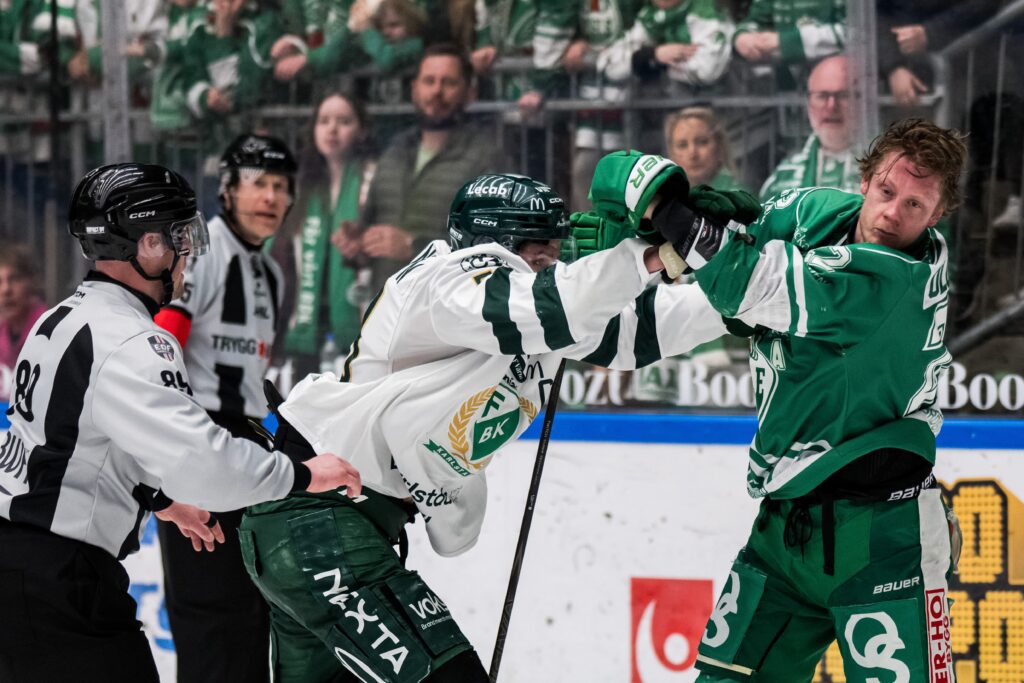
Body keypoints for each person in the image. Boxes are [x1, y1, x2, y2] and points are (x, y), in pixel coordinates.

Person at [238, 168, 739, 682]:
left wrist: (742, 290)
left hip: (333, 527)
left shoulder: (529, 312)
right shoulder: (451, 280)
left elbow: (634, 332)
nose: (554, 263)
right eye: (540, 253)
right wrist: (649, 254)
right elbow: (552, 306)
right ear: (492, 244)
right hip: (318, 524)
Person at [628, 118, 967, 681]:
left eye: (915, 205)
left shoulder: (894, 281)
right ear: (864, 180)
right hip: (786, 528)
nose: (892, 214)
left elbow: (747, 286)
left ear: (936, 216)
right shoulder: (816, 210)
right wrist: (682, 233)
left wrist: (665, 206)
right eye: (887, 192)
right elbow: (750, 235)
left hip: (883, 536)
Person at [0, 163, 361, 683]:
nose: (186, 257)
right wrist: (303, 473)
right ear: (147, 245)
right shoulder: (136, 341)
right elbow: (203, 461)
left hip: (20, 567)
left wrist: (159, 500)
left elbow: (71, 441)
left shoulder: (59, 318)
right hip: (60, 586)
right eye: (178, 239)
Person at [152, 135, 296, 683]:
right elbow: (161, 349)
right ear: (228, 190)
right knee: (212, 621)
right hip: (201, 443)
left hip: (245, 452)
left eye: (282, 186)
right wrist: (174, 462)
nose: (272, 197)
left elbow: (252, 376)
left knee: (250, 615)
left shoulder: (270, 272)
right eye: (258, 182)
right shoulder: (202, 254)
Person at [355, 42, 507, 292]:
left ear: (470, 93)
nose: (437, 91)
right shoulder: (394, 151)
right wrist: (357, 244)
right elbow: (371, 227)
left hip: (449, 310)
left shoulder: (486, 157)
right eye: (429, 81)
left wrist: (415, 247)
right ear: (414, 89)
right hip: (388, 310)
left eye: (449, 82)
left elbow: (495, 244)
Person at [272, 91, 377, 379]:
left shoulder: (374, 178)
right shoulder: (300, 184)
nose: (332, 129)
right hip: (305, 321)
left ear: (361, 130)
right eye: (324, 121)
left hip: (358, 322)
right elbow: (274, 248)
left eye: (343, 121)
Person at [759, 54, 860, 202]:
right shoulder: (782, 178)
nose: (831, 106)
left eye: (843, 95)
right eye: (822, 96)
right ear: (808, 103)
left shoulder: (886, 170)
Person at [0, 242, 47, 403]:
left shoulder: (51, 331)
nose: (6, 290)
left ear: (31, 282)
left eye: (14, 279)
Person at [665, 106, 749, 192]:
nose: (692, 154)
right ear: (672, 153)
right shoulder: (667, 196)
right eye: (682, 145)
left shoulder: (737, 198)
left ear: (719, 147)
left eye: (702, 142)